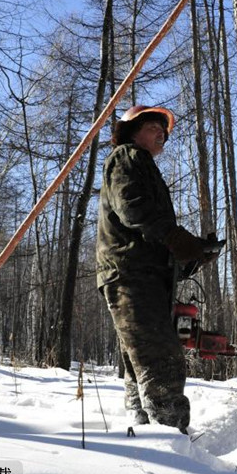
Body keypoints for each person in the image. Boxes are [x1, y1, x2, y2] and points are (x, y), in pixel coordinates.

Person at [96, 105, 215, 434]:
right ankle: (170, 438)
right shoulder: (127, 157)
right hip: (130, 274)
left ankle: (144, 429)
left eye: (164, 131)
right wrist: (176, 236)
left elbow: (146, 228)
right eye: (153, 127)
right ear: (132, 132)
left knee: (140, 361)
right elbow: (132, 208)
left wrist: (190, 254)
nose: (161, 134)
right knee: (160, 358)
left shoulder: (141, 164)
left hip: (142, 273)